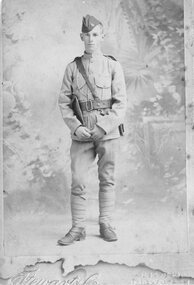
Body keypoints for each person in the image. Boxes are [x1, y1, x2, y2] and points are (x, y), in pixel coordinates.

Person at [58, 14, 127, 245]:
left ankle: (105, 222)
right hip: (82, 135)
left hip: (108, 133)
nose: (91, 39)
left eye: (95, 35)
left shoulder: (113, 65)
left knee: (107, 178)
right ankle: (78, 227)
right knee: (78, 179)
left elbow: (121, 104)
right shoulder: (72, 68)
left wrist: (103, 127)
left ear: (102, 37)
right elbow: (64, 103)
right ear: (81, 37)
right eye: (87, 35)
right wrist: (76, 127)